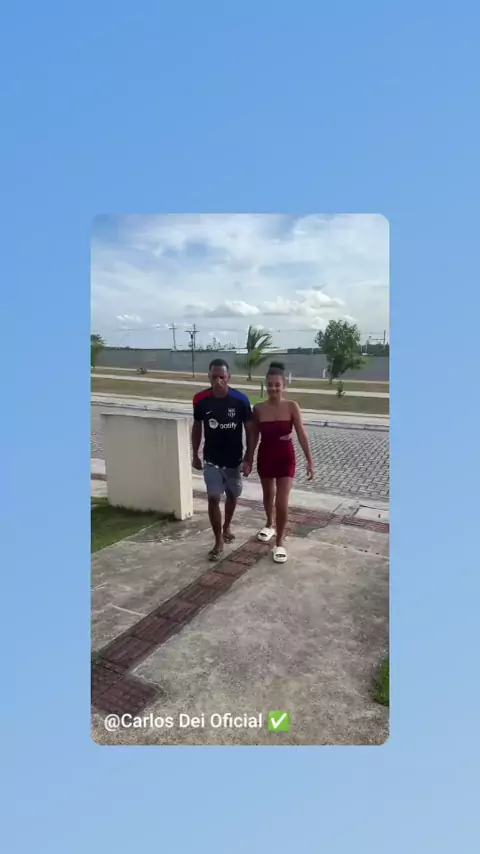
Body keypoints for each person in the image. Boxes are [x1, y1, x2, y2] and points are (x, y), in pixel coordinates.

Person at [246, 361, 314, 564]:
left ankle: (280, 542)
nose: (273, 388)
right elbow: (253, 437)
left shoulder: (292, 406)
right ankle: (270, 524)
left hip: (286, 456)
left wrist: (310, 461)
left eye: (277, 385)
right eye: (270, 384)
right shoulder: (258, 409)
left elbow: (301, 433)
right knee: (268, 495)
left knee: (281, 500)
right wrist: (248, 458)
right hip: (266, 455)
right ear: (265, 385)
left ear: (284, 386)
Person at [192, 358, 254, 561]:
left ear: (229, 377)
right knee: (213, 497)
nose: (218, 381)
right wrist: (195, 454)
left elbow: (250, 430)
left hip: (234, 461)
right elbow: (197, 426)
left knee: (232, 495)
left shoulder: (240, 400)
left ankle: (227, 526)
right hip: (211, 459)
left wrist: (249, 458)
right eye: (214, 377)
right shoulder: (200, 399)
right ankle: (218, 540)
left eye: (222, 377)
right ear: (208, 377)